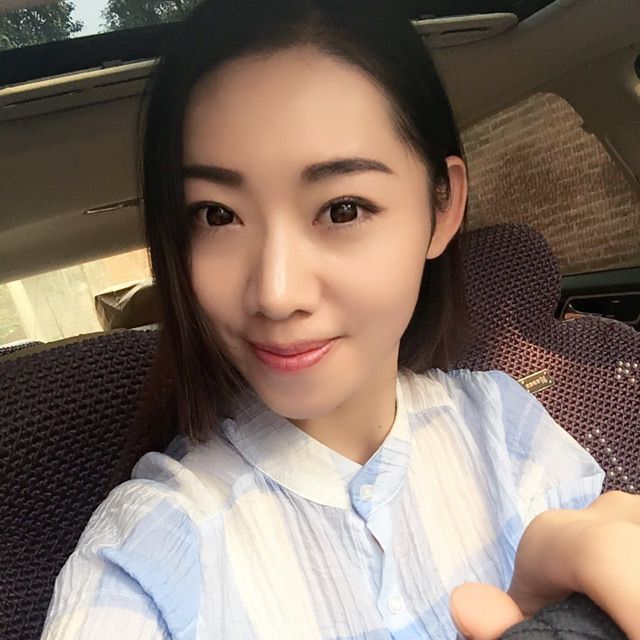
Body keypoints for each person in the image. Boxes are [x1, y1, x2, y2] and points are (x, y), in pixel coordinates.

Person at [41, 1, 640, 639]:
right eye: (217, 215)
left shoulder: (506, 426)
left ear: (442, 208)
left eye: (343, 209)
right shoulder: (144, 556)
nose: (276, 293)